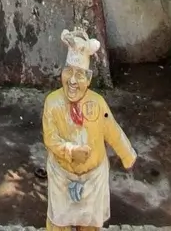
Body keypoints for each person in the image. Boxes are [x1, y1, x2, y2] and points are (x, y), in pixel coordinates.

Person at [42, 28, 136, 231]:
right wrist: (70, 151)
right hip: (62, 177)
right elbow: (50, 139)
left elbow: (112, 129)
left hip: (93, 179)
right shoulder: (52, 103)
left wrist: (127, 154)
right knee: (58, 224)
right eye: (68, 72)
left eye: (79, 75)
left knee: (90, 226)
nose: (72, 81)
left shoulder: (98, 103)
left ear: (89, 79)